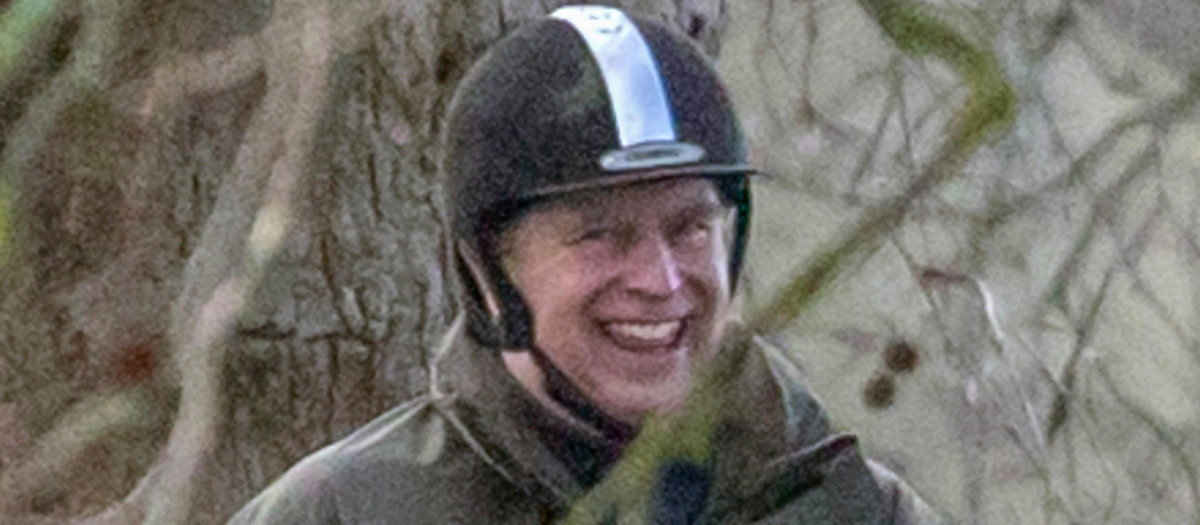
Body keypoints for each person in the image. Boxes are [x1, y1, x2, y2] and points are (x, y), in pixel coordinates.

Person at [227, 5, 941, 524]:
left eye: (690, 227)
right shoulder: (345, 514)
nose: (660, 280)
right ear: (487, 271)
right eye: (601, 235)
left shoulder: (857, 509)